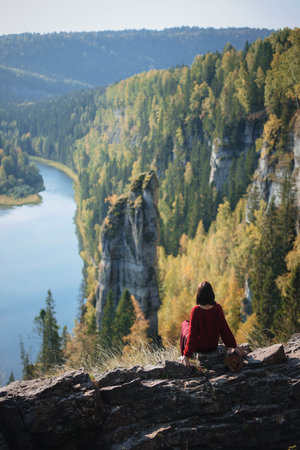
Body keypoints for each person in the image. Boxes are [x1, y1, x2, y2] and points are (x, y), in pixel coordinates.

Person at [180, 281, 245, 367]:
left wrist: (186, 355)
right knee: (188, 323)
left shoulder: (196, 310)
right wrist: (234, 345)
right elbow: (224, 329)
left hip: (199, 347)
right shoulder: (217, 308)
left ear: (199, 295)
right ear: (211, 294)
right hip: (212, 345)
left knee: (185, 324)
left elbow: (192, 335)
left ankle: (182, 356)